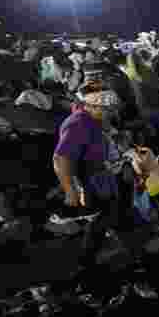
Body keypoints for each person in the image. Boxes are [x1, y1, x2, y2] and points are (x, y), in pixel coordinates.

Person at [49, 87, 124, 235]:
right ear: (93, 106)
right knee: (99, 223)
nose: (111, 114)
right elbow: (60, 158)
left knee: (106, 221)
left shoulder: (95, 119)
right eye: (108, 110)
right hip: (90, 183)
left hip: (103, 179)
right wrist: (71, 193)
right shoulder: (78, 123)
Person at [123, 51, 159, 153]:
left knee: (152, 131)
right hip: (157, 104)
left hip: (142, 107)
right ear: (140, 59)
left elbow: (129, 94)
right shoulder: (147, 71)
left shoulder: (128, 75)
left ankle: (156, 152)